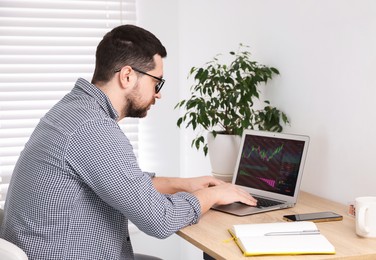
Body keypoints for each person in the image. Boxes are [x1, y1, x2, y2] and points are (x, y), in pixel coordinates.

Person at [0, 24, 256, 259]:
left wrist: (185, 184)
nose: (159, 94)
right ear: (127, 76)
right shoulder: (94, 129)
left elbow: (122, 182)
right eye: (156, 82)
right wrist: (213, 194)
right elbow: (161, 220)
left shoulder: (72, 110)